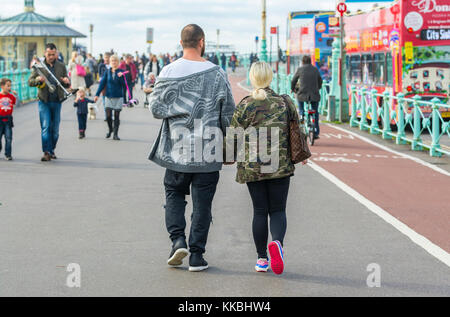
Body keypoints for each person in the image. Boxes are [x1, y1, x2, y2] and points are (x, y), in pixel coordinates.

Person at [148, 24, 235, 272]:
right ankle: (197, 255)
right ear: (202, 42)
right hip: (208, 150)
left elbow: (156, 109)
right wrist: (230, 150)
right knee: (203, 205)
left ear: (182, 42)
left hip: (177, 149)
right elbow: (228, 114)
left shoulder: (168, 70)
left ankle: (178, 241)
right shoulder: (217, 73)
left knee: (174, 194)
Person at [225, 61, 306, 275]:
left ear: (252, 79)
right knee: (278, 210)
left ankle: (262, 259)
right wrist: (302, 155)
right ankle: (277, 244)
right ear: (270, 78)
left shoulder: (245, 104)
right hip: (280, 164)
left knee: (259, 211)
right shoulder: (284, 102)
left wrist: (228, 157)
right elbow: (297, 130)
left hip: (253, 166)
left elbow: (234, 135)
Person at [29, 43, 71, 162]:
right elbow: (30, 82)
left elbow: (66, 83)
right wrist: (37, 79)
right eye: (49, 54)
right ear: (45, 53)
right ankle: (46, 152)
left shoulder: (61, 66)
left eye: (53, 54)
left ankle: (51, 150)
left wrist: (67, 81)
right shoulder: (39, 66)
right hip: (44, 101)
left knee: (55, 131)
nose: (51, 57)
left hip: (57, 101)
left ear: (56, 54)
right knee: (46, 126)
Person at [94, 54, 126, 141]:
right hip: (108, 96)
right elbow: (102, 84)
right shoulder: (107, 72)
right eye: (112, 61)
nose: (114, 62)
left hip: (118, 97)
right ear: (110, 62)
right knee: (108, 116)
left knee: (116, 116)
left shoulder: (121, 72)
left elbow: (125, 85)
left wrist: (121, 77)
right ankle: (110, 129)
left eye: (115, 61)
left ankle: (115, 134)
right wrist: (97, 94)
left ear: (118, 62)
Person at [291, 55, 322, 139]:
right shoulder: (315, 69)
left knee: (301, 110)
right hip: (314, 95)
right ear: (310, 61)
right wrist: (318, 88)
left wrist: (293, 88)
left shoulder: (300, 69)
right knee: (315, 112)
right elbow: (320, 80)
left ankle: (301, 121)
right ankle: (316, 132)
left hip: (302, 94)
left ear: (303, 62)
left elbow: (293, 80)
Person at [0, 78, 17, 161]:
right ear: (2, 86)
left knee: (8, 138)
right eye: (8, 86)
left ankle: (8, 154)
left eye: (10, 86)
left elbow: (17, 103)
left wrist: (16, 95)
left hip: (8, 119)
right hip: (0, 119)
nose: (9, 88)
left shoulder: (11, 96)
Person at [98, 52, 111, 120]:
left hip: (111, 87)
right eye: (105, 57)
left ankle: (110, 116)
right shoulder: (101, 66)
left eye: (107, 58)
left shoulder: (112, 66)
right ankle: (107, 116)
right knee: (104, 102)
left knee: (110, 102)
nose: (106, 59)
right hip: (104, 86)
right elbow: (100, 76)